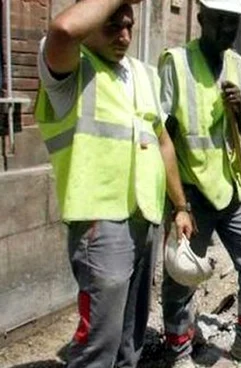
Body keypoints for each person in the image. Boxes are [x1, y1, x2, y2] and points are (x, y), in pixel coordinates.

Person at [34, 0, 194, 367]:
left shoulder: (142, 74)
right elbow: (63, 30)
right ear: (89, 22)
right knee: (99, 344)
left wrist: (180, 207)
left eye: (129, 26)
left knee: (130, 337)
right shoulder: (68, 72)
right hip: (100, 224)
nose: (123, 36)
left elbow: (163, 143)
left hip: (144, 219)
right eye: (111, 26)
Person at [158, 1, 241, 367]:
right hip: (191, 191)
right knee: (182, 274)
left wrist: (240, 112)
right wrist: (176, 204)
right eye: (219, 22)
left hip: (228, 188)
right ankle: (179, 351)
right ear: (200, 19)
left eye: (233, 24)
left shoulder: (238, 66)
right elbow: (162, 134)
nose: (226, 31)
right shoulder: (176, 63)